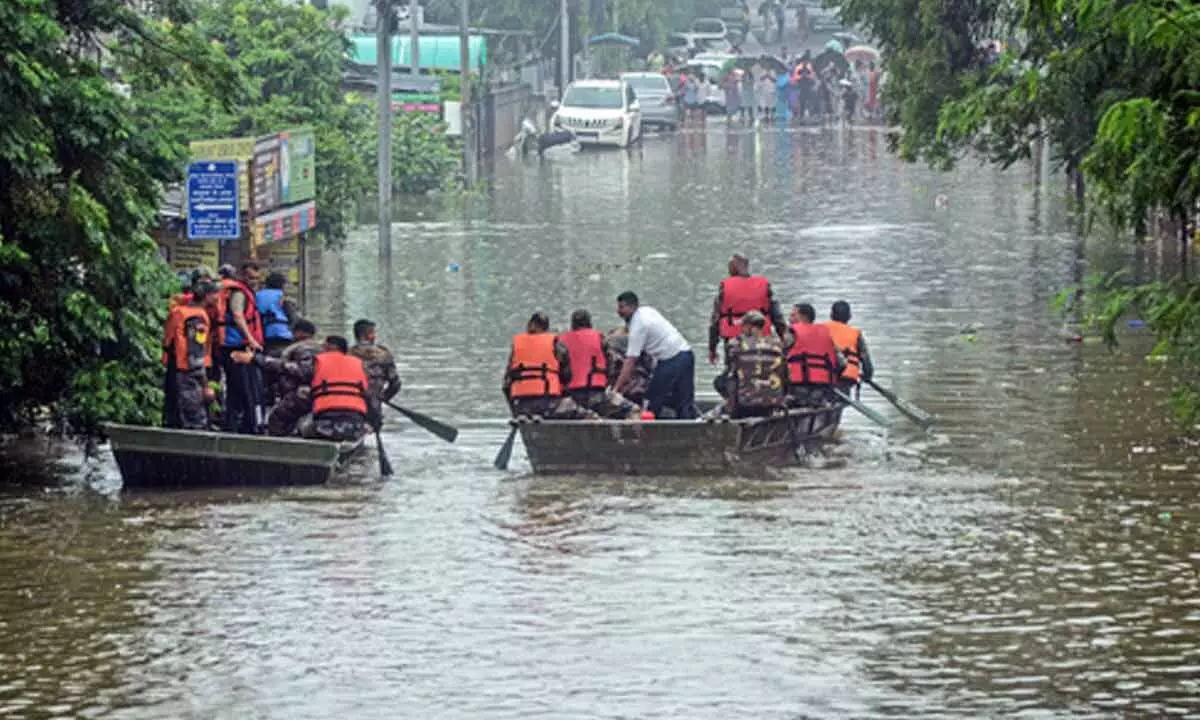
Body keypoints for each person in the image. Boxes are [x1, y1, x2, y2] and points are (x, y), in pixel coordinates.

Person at [234, 335, 372, 441]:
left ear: (327, 347)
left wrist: (255, 359)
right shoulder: (359, 366)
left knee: (288, 412)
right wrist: (374, 423)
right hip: (355, 427)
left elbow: (285, 367)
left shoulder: (318, 363)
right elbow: (371, 398)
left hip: (324, 427)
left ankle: (279, 442)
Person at [614, 292, 696, 419]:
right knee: (683, 400)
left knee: (650, 400)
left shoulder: (638, 326)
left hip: (671, 360)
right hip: (687, 354)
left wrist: (616, 390)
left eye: (621, 307)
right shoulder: (647, 310)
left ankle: (649, 427)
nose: (618, 311)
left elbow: (630, 362)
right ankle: (689, 424)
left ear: (632, 307)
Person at [504, 312, 593, 419]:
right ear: (546, 328)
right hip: (548, 403)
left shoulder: (517, 345)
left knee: (526, 411)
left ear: (529, 325)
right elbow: (566, 376)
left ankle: (524, 416)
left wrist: (514, 411)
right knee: (579, 410)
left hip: (521, 404)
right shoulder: (554, 343)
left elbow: (506, 384)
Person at [213, 261, 264, 434]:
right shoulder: (238, 293)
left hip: (237, 344)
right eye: (250, 277)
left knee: (237, 388)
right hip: (234, 346)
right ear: (241, 276)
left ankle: (235, 424)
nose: (254, 281)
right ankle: (247, 425)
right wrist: (251, 339)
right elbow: (237, 315)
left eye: (256, 278)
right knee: (243, 388)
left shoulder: (246, 292)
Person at [708, 253, 786, 366]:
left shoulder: (725, 287)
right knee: (762, 368)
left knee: (734, 370)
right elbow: (777, 317)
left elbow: (715, 320)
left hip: (733, 338)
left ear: (733, 267)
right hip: (762, 338)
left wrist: (712, 348)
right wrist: (783, 339)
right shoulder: (763, 285)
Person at [558, 310, 638, 419]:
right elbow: (612, 363)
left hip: (572, 396)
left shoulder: (561, 341)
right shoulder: (600, 338)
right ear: (590, 324)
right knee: (632, 410)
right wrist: (609, 385)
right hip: (597, 395)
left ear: (572, 325)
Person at [162, 281, 216, 430]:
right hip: (188, 374)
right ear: (206, 296)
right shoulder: (196, 319)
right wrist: (205, 385)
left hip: (174, 369)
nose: (217, 297)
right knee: (195, 421)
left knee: (173, 418)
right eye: (214, 294)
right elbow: (196, 354)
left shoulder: (181, 312)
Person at [254, 319, 321, 437]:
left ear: (300, 332)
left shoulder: (305, 348)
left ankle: (278, 444)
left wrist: (277, 364)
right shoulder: (319, 348)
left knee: (276, 419)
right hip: (315, 393)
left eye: (293, 332)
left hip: (301, 393)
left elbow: (305, 371)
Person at [722, 311, 788, 419]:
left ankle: (731, 412)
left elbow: (730, 372)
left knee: (722, 380)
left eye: (743, 326)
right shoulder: (776, 344)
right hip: (772, 402)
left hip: (745, 402)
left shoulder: (735, 344)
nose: (741, 329)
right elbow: (785, 377)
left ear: (750, 327)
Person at [349, 318, 403, 431]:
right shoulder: (383, 354)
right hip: (374, 410)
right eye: (373, 333)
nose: (375, 336)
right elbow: (395, 384)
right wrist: (383, 397)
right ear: (368, 335)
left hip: (350, 407)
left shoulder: (347, 354)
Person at [785, 303, 843, 406]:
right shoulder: (826, 334)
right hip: (822, 388)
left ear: (804, 317)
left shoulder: (791, 333)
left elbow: (777, 356)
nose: (789, 319)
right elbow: (842, 363)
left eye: (793, 315)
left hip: (797, 386)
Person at [823, 300, 874, 395]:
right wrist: (867, 376)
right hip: (846, 378)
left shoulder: (821, 329)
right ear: (849, 316)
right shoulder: (855, 333)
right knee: (842, 397)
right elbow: (865, 360)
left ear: (831, 315)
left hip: (823, 376)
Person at [605, 326, 654, 405]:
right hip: (642, 388)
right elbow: (650, 367)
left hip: (621, 391)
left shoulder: (610, 346)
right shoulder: (642, 346)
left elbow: (609, 370)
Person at [256, 272, 299, 357]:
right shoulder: (282, 296)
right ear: (281, 284)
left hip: (264, 334)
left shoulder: (257, 295)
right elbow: (294, 318)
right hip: (283, 334)